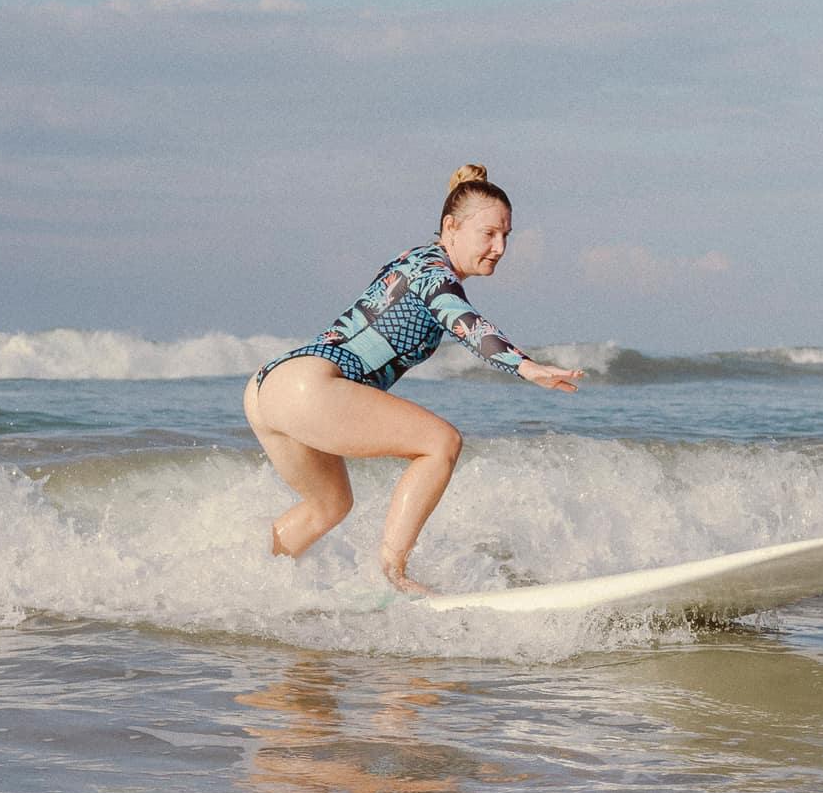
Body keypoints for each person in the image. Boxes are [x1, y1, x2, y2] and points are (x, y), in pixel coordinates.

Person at [243, 165, 583, 593]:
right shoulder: (434, 274)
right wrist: (527, 366)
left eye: (505, 236)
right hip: (310, 385)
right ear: (451, 227)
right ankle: (393, 576)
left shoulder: (415, 259)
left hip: (268, 387)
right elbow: (464, 322)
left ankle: (244, 582)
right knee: (441, 443)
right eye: (489, 234)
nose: (499, 247)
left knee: (328, 505)